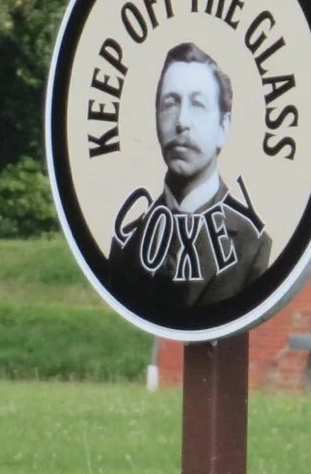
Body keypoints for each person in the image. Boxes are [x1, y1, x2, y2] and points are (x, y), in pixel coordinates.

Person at [103, 43, 271, 312]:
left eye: (198, 104)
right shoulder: (127, 245)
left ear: (223, 127)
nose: (181, 121)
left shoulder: (254, 244)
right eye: (170, 104)